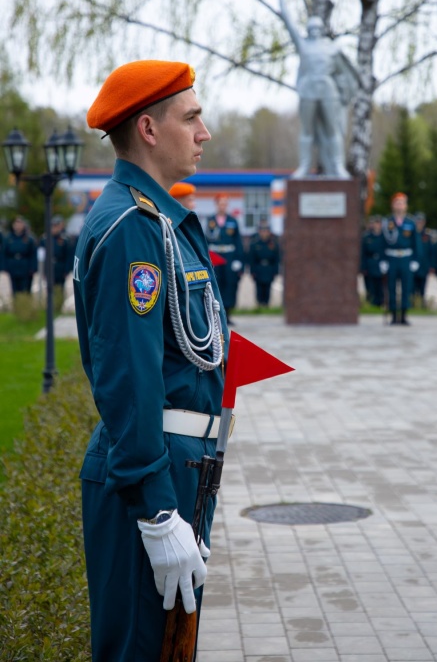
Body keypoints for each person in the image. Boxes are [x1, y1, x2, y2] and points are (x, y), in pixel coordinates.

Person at [73, 59, 229, 662]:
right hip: (152, 477)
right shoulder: (132, 229)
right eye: (191, 117)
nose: (204, 132)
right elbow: (128, 381)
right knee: (136, 650)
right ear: (148, 128)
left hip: (180, 468)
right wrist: (159, 510)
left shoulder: (164, 221)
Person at [277, 0, 357, 179]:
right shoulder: (303, 45)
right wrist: (281, 0)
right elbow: (289, 25)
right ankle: (304, 166)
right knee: (307, 131)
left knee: (333, 130)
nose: (313, 32)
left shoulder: (332, 49)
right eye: (310, 29)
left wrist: (346, 93)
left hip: (329, 92)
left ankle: (337, 167)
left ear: (322, 30)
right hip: (308, 92)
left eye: (317, 29)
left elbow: (345, 73)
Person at [380, 193, 421, 325]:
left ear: (406, 206)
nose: (400, 205)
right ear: (393, 205)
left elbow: (416, 243)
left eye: (402, 202)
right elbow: (382, 243)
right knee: (391, 287)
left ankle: (403, 315)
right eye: (397, 202)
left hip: (406, 258)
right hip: (391, 258)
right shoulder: (387, 222)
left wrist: (415, 260)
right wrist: (383, 260)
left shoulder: (410, 222)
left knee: (406, 287)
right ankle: (393, 315)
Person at [204, 192, 244, 325]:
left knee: (230, 285)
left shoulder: (232, 221)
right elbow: (206, 240)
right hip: (215, 256)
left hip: (229, 256)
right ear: (216, 204)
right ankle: (216, 315)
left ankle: (228, 314)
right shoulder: (210, 221)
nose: (223, 206)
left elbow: (238, 241)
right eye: (221, 203)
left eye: (225, 204)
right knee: (216, 285)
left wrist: (238, 260)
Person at [247, 219, 281, 307]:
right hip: (259, 268)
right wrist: (252, 271)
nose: (264, 233)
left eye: (266, 231)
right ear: (259, 232)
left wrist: (276, 271)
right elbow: (251, 259)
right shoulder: (255, 244)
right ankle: (259, 304)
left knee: (268, 288)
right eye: (262, 231)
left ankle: (266, 304)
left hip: (269, 268)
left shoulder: (273, 244)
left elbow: (277, 259)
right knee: (259, 288)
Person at [39, 214, 74, 297]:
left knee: (60, 287)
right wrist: (43, 270)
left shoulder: (65, 240)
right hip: (49, 266)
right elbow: (42, 256)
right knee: (49, 288)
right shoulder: (45, 239)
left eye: (56, 226)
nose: (54, 229)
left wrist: (67, 270)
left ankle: (58, 304)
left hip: (60, 266)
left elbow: (68, 256)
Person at [4, 215, 37, 295]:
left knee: (25, 289)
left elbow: (33, 254)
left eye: (20, 223)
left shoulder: (29, 239)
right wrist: (5, 266)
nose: (18, 226)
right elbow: (4, 253)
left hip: (25, 265)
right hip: (13, 265)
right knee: (14, 289)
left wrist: (33, 268)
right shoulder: (8, 238)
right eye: (16, 223)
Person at [360, 215, 385, 307]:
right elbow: (363, 253)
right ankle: (371, 302)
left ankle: (380, 302)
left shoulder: (384, 236)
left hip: (381, 263)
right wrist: (363, 267)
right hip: (370, 263)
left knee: (380, 285)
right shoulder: (367, 237)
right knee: (370, 285)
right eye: (376, 223)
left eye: (379, 223)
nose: (377, 225)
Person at [412, 212, 433, 306]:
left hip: (424, 265)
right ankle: (412, 303)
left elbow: (431, 252)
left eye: (421, 221)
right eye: (417, 221)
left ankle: (422, 304)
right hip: (412, 265)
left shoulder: (427, 235)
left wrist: (431, 266)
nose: (419, 223)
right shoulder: (411, 234)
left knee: (422, 287)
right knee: (412, 287)